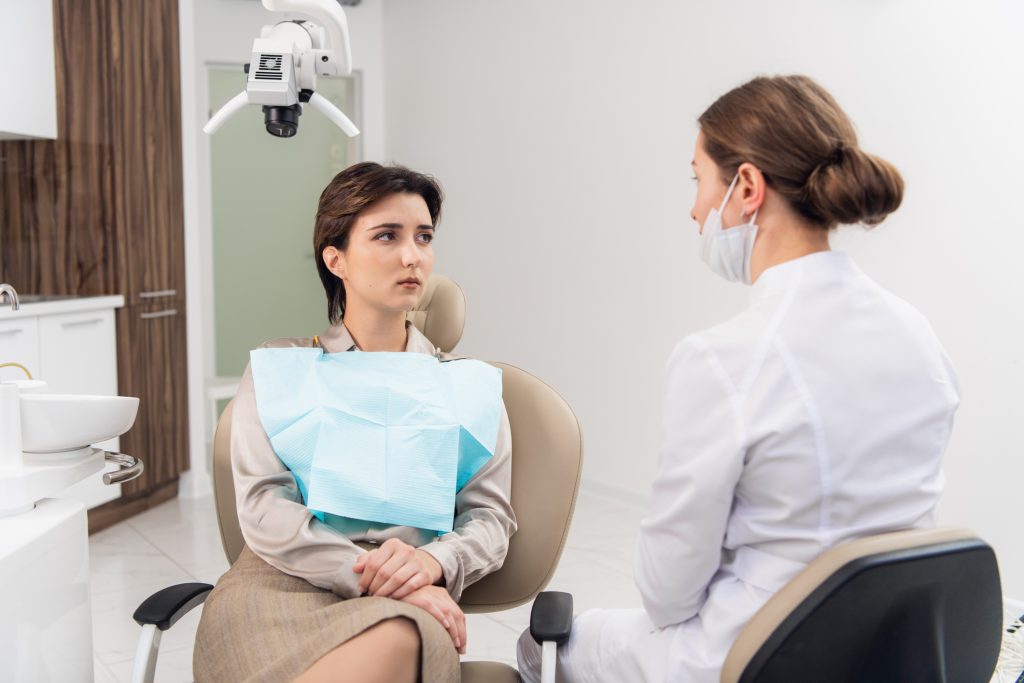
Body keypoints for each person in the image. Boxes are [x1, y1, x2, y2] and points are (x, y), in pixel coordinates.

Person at [518, 74, 959, 683]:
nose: (695, 208)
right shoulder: (919, 336)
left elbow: (667, 595)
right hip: (888, 654)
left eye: (698, 180)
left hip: (753, 658)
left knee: (541, 645)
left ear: (747, 186)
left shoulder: (723, 360)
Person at [194, 162, 517, 683]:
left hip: (408, 594)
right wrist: (365, 574)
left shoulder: (471, 388)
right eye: (387, 236)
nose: (412, 256)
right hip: (281, 583)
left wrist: (431, 566)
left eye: (424, 237)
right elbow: (262, 507)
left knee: (397, 639)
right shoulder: (280, 370)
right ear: (335, 258)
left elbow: (491, 520)